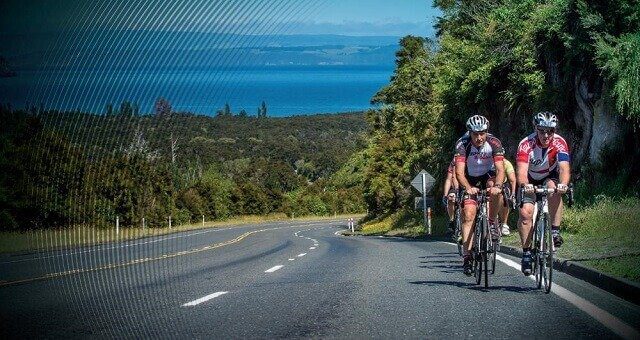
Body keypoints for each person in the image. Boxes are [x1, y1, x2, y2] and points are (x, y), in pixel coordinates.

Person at [516, 111, 571, 276]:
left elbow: (564, 168)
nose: (546, 135)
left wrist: (563, 185)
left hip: (549, 176)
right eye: (542, 131)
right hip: (530, 180)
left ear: (554, 130)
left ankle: (554, 230)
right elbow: (521, 172)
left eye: (550, 131)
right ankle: (526, 253)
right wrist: (525, 185)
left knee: (554, 189)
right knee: (526, 213)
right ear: (536, 128)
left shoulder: (560, 143)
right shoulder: (526, 144)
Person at [454, 115, 505, 276]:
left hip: (488, 175)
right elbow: (459, 173)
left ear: (486, 131)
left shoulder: (494, 142)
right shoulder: (462, 144)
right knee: (468, 214)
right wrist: (468, 188)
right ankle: (467, 257)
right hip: (469, 179)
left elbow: (500, 169)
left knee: (495, 189)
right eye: (475, 134)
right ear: (470, 133)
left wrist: (498, 186)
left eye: (482, 133)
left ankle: (491, 222)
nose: (479, 137)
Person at [497, 158, 517, 236]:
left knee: (505, 197)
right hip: (487, 183)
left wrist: (513, 193)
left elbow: (512, 180)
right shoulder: (486, 160)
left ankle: (504, 224)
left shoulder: (506, 163)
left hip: (502, 184)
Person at [442, 157, 458, 234]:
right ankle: (452, 220)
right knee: (451, 197)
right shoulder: (455, 160)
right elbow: (449, 179)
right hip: (456, 186)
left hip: (471, 184)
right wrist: (445, 195)